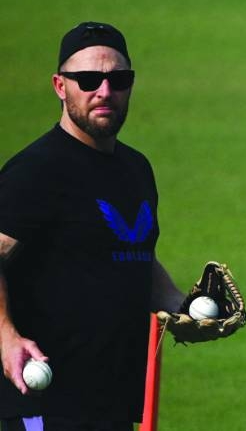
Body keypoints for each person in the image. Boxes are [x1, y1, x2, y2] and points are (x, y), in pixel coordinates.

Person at [0, 22, 186, 431]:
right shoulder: (36, 171)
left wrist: (179, 305)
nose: (104, 91)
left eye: (118, 79)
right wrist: (7, 336)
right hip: (47, 401)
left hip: (113, 402)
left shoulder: (135, 169)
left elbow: (133, 254)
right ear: (59, 86)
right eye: (87, 79)